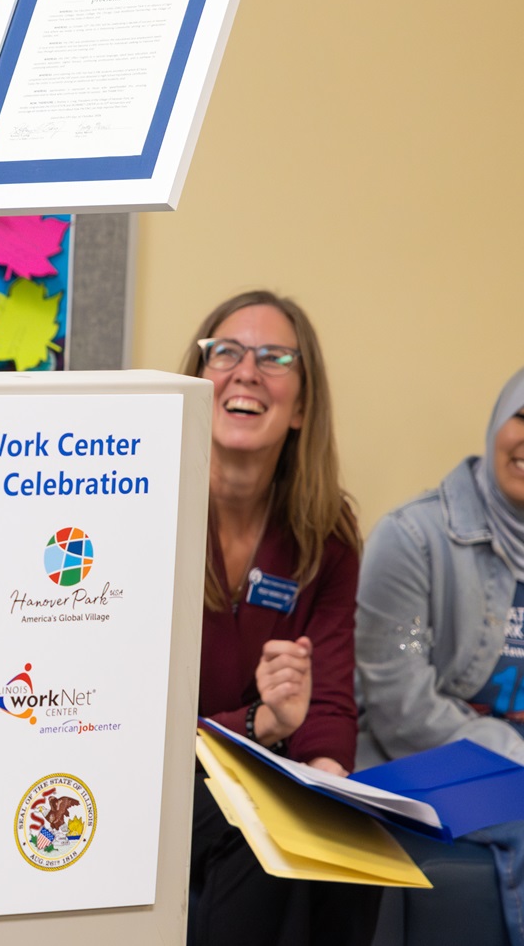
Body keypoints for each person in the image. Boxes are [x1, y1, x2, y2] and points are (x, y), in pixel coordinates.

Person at [182, 290, 378, 946]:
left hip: (255, 769)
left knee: (346, 846)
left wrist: (332, 787)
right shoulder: (140, 509)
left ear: (301, 407)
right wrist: (260, 724)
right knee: (257, 835)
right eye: (226, 353)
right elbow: (123, 713)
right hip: (149, 777)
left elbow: (327, 701)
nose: (246, 371)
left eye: (274, 358)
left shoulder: (325, 531)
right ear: (195, 382)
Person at [357, 367, 524, 945]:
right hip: (412, 762)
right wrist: (515, 756)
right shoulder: (412, 537)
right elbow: (399, 705)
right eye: (522, 417)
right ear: (498, 422)